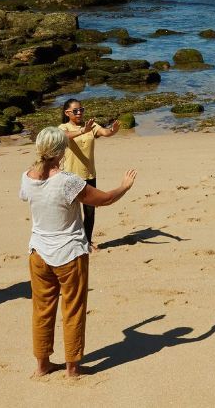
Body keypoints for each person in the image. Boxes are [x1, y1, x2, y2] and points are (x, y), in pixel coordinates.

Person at [21, 126, 138, 378]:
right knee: (73, 309)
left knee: (42, 309)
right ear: (61, 151)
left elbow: (30, 194)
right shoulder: (68, 181)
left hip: (38, 252)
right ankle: (72, 368)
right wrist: (124, 187)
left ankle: (42, 366)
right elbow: (104, 199)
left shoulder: (26, 177)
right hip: (69, 254)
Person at [58, 98, 121, 250]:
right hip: (69, 176)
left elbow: (104, 132)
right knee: (70, 213)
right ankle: (70, 241)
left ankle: (87, 241)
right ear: (67, 113)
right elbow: (65, 136)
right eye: (75, 111)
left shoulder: (91, 125)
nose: (79, 113)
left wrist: (112, 130)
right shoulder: (62, 127)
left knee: (90, 212)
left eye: (81, 110)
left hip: (89, 175)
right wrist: (82, 131)